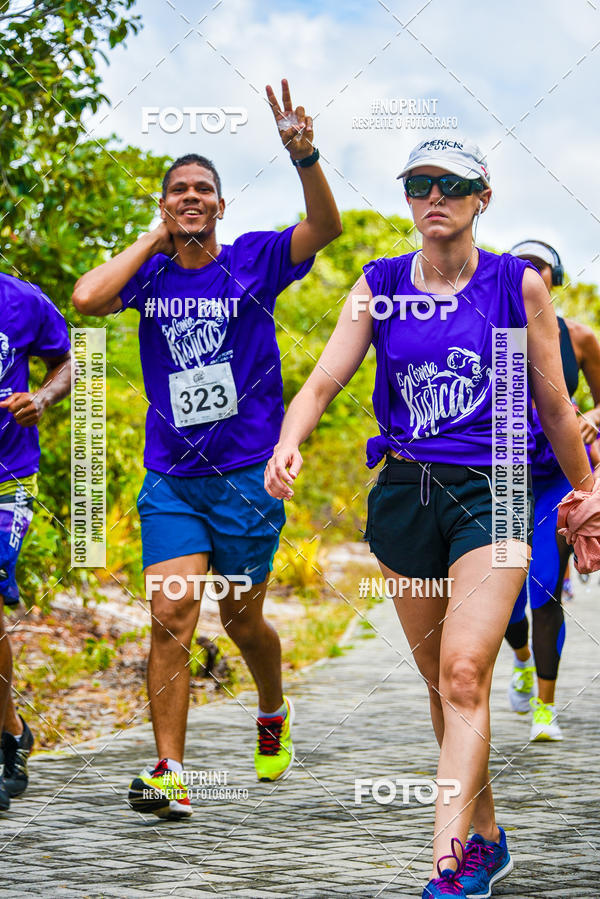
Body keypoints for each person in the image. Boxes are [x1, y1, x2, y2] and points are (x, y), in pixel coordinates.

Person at [264, 137, 593, 898]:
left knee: (467, 670)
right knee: (445, 686)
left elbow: (552, 402)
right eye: (419, 183)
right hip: (407, 493)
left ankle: (446, 862)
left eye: (452, 183)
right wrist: (288, 443)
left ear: (483, 197)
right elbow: (321, 382)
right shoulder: (379, 284)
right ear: (408, 198)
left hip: (499, 486)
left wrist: (584, 493)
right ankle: (485, 837)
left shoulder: (519, 286)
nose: (433, 195)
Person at [72, 79, 342, 819]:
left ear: (222, 205)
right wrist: (155, 237)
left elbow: (326, 227)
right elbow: (87, 299)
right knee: (170, 614)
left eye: (204, 190)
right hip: (173, 479)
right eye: (179, 190)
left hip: (247, 478)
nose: (192, 197)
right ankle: (169, 770)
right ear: (166, 204)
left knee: (242, 620)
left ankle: (272, 707)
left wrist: (304, 154)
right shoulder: (149, 272)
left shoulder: (255, 260)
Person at [504, 240, 600, 740]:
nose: (528, 273)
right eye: (519, 265)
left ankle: (545, 707)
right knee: (502, 598)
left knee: (543, 584)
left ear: (553, 276)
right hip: (501, 479)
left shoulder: (579, 337)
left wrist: (591, 419)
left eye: (538, 266)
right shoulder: (491, 332)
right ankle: (519, 658)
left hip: (557, 479)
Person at [0, 274, 72, 810]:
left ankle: (5, 745)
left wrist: (43, 398)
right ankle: (13, 731)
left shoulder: (21, 300)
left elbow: (70, 359)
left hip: (9, 472)